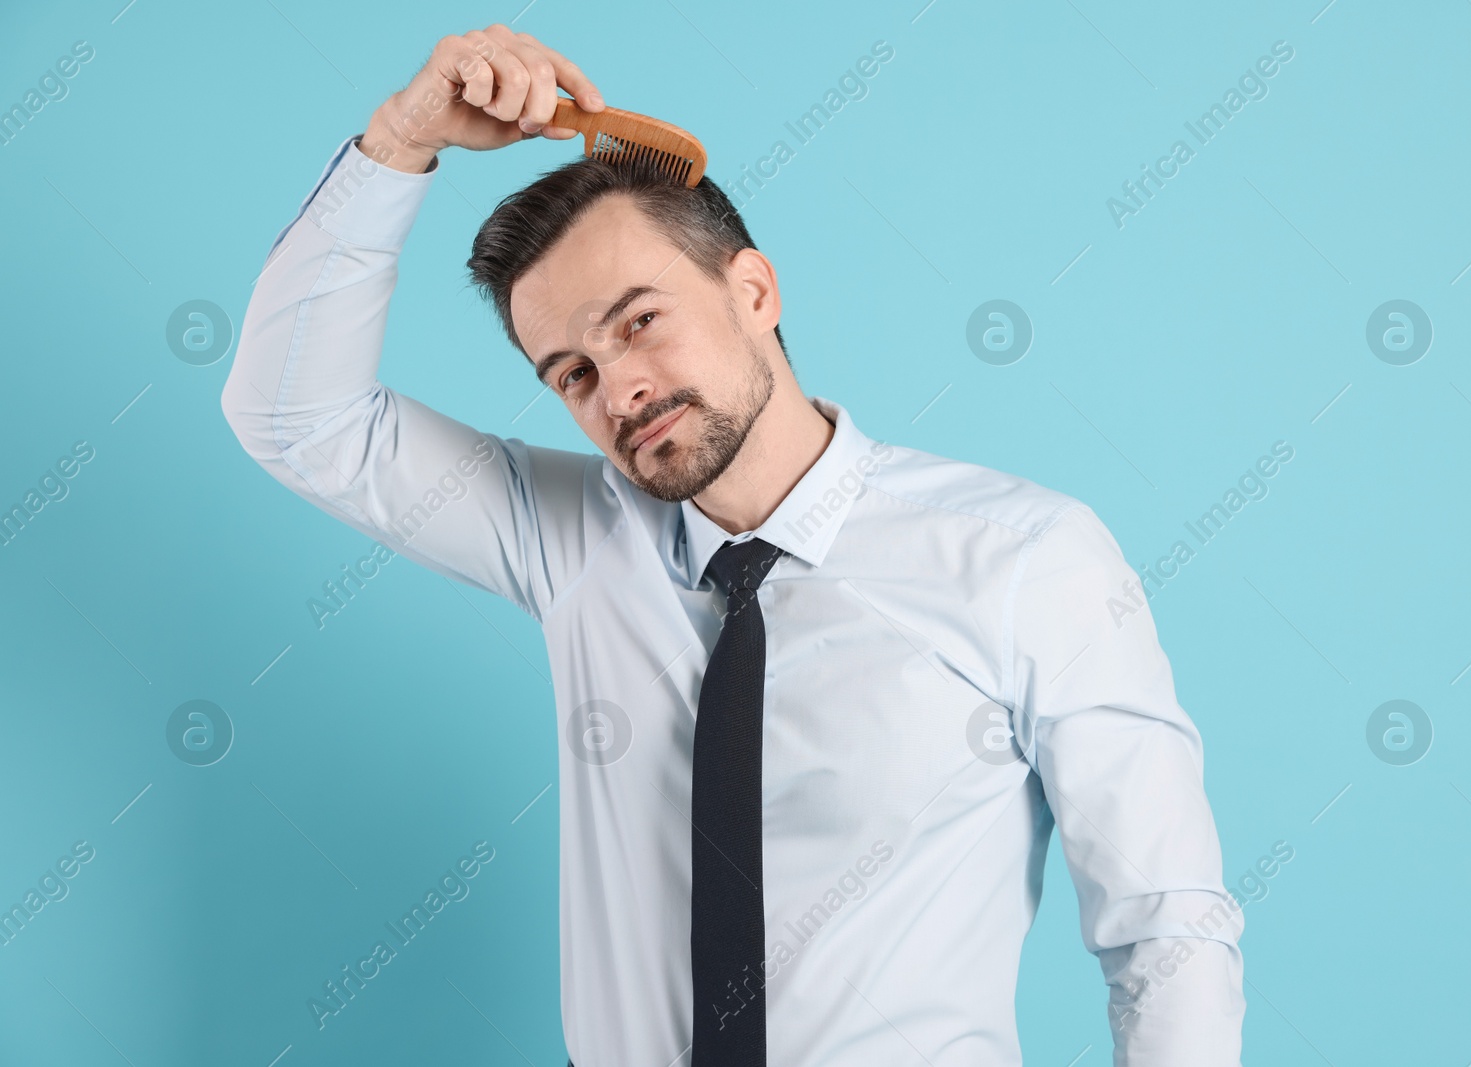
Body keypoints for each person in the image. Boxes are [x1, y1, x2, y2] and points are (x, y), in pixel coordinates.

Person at [221, 23, 1245, 1066]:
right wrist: (399, 139)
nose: (617, 386)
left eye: (639, 321)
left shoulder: (1026, 557)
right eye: (570, 372)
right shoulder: (569, 540)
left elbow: (1165, 927)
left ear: (752, 291)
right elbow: (296, 418)